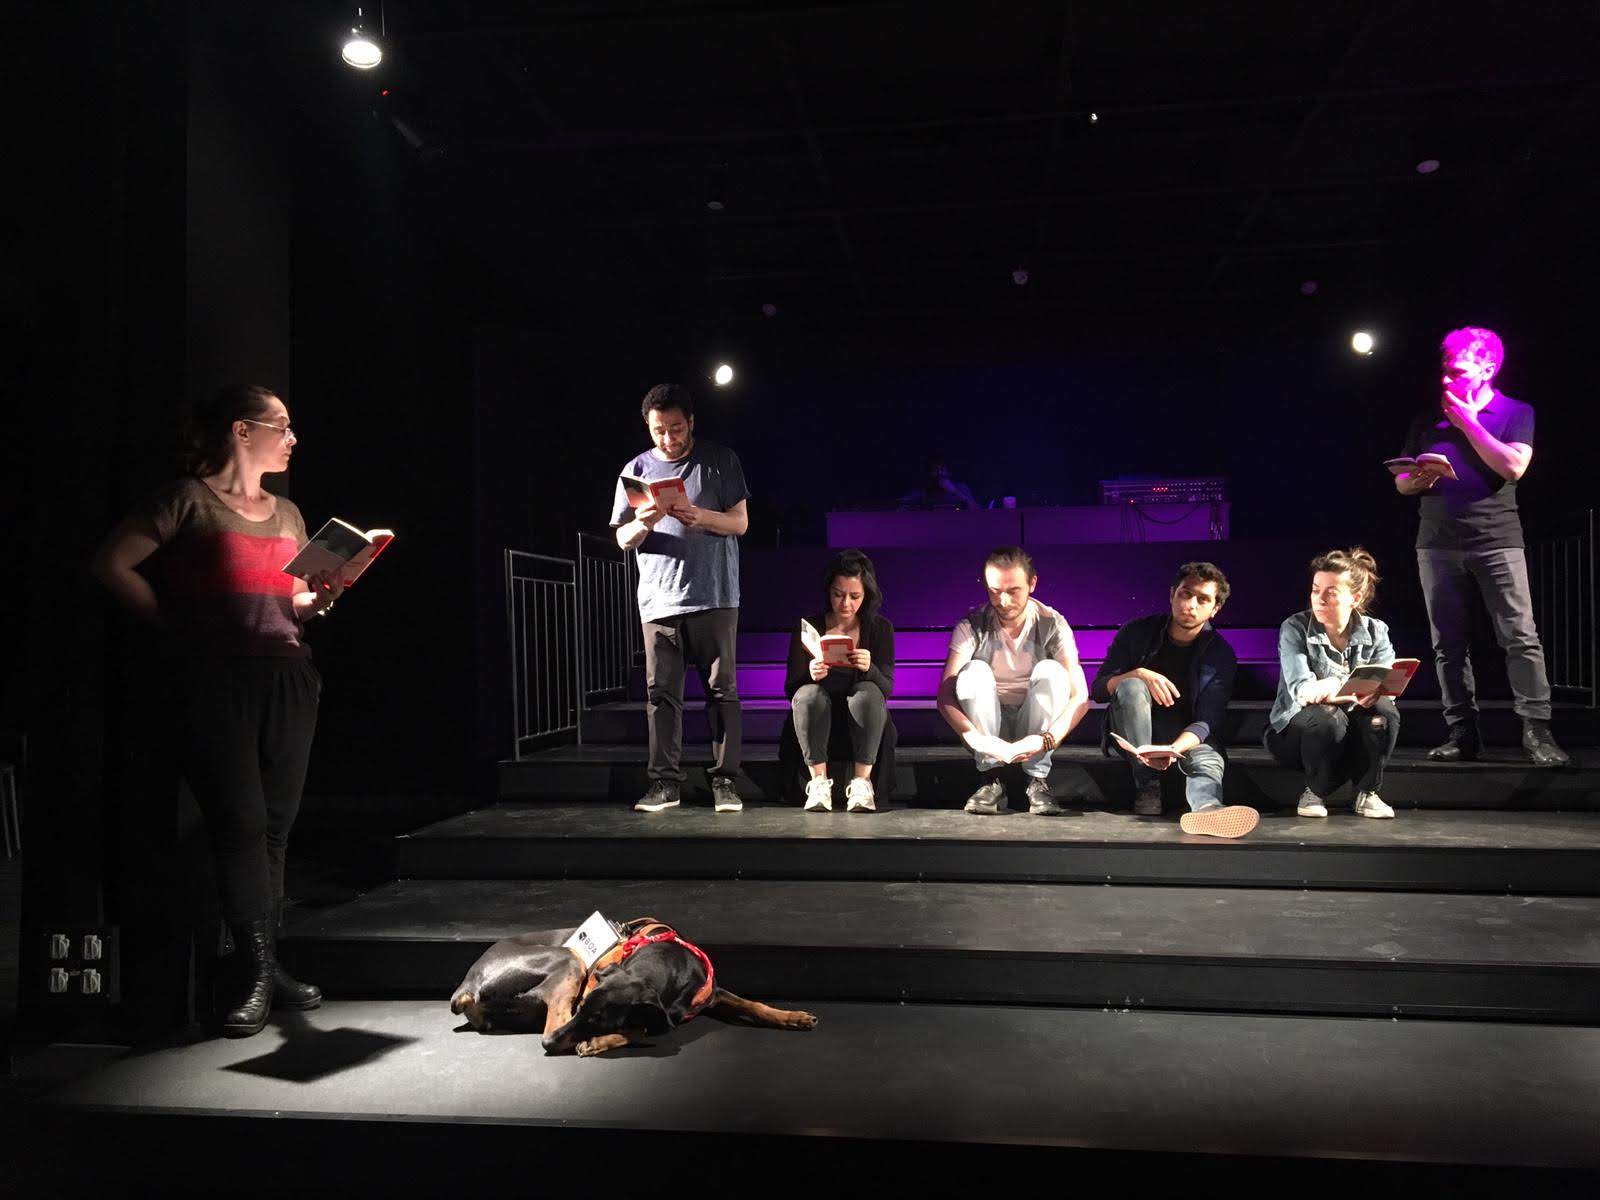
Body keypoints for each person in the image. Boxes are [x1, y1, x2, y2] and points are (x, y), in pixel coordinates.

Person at [91, 385, 343, 1038]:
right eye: (282, 426)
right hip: (216, 679)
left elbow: (294, 601)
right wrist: (172, 625)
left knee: (276, 827)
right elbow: (112, 563)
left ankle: (267, 968)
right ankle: (254, 972)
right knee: (240, 821)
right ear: (242, 430)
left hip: (287, 675)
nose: (293, 438)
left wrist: (323, 595)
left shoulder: (288, 513)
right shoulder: (187, 500)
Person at [1393, 326, 1568, 766]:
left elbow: (1513, 467)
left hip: (1497, 539)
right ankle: (1462, 733)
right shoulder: (1427, 418)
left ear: (1488, 368)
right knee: (1448, 644)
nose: (1446, 378)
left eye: (1457, 370)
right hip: (1437, 543)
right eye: (1444, 369)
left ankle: (1537, 732)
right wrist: (1415, 479)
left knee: (1520, 637)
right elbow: (1402, 482)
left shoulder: (1515, 411)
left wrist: (1468, 423)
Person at [612, 383, 750, 814]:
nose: (668, 438)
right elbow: (623, 539)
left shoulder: (719, 460)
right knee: (662, 696)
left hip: (715, 594)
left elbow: (740, 523)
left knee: (722, 692)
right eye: (659, 430)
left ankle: (725, 781)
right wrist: (644, 521)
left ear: (690, 422)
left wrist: (700, 516)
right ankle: (664, 784)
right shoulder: (635, 470)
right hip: (659, 600)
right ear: (648, 427)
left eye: (675, 428)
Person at [1091, 562, 1258, 839]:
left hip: (1184, 736)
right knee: (1131, 686)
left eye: (1202, 599)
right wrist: (1137, 673)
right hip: (1135, 730)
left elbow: (1207, 720)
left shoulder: (1220, 654)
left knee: (1206, 758)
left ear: (1215, 609)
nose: (1190, 605)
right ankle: (1148, 785)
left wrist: (1172, 749)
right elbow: (1098, 689)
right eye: (1185, 594)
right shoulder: (1137, 632)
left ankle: (1207, 809)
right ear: (1172, 594)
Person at [936, 546, 1090, 815]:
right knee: (973, 672)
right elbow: (945, 694)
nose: (1003, 601)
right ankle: (991, 778)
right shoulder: (972, 624)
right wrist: (976, 739)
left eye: (1013, 591)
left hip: (1035, 725)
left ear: (1032, 584)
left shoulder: (1052, 623)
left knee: (1053, 672)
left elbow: (1080, 696)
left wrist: (1046, 740)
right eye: (994, 591)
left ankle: (1036, 778)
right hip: (988, 725)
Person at [1264, 548, 1400, 820]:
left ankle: (1367, 792)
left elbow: (1384, 682)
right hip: (1298, 734)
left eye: (1331, 592)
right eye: (1316, 590)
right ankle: (1315, 791)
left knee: (1384, 711)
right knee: (1328, 717)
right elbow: (1304, 690)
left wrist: (1356, 691)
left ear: (1355, 598)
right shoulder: (1295, 627)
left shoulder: (1377, 631)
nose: (1320, 599)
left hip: (1351, 730)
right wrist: (1346, 688)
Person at [779, 549, 897, 813]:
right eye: (838, 594)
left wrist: (870, 669)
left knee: (868, 692)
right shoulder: (809, 626)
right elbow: (791, 689)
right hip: (817, 719)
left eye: (854, 596)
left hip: (864, 721)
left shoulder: (879, 628)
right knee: (808, 694)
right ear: (828, 592)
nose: (846, 604)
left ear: (866, 595)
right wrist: (810, 674)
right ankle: (818, 783)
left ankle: (862, 783)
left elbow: (886, 689)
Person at [899, 455, 979, 510]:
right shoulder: (923, 492)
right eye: (935, 470)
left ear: (949, 472)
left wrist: (955, 491)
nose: (939, 473)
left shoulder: (961, 488)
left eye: (942, 469)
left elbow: (977, 509)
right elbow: (904, 505)